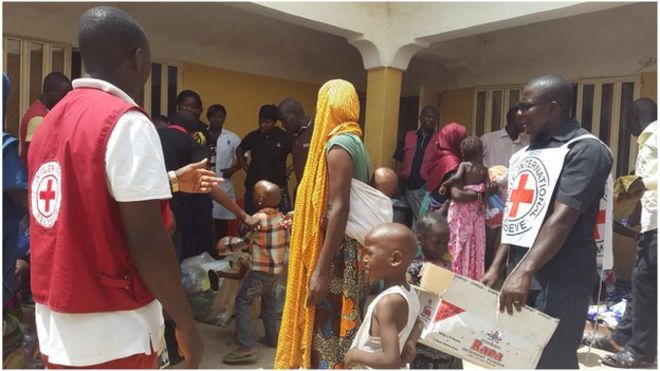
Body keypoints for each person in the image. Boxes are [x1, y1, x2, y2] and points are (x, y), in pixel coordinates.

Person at [26, 7, 223, 368]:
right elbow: (147, 242)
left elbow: (86, 197)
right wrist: (185, 324)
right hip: (114, 326)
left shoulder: (50, 123)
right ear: (138, 58)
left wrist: (174, 180)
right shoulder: (125, 121)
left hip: (56, 323)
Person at [481, 75, 612, 369]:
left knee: (553, 359)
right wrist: (496, 267)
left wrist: (523, 271)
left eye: (526, 107)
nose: (519, 114)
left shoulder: (585, 150)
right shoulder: (527, 153)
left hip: (561, 278)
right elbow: (515, 214)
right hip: (522, 273)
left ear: (553, 108)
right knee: (518, 356)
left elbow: (563, 218)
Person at [275, 79, 372, 368]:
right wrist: (304, 215)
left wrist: (319, 271)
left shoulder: (339, 145)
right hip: (345, 247)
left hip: (335, 256)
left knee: (327, 335)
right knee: (339, 331)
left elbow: (340, 207)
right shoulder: (354, 140)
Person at [592, 98, 657, 368]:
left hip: (658, 224)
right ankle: (622, 336)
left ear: (632, 116)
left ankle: (641, 353)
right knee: (640, 283)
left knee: (648, 288)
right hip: (650, 223)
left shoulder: (654, 138)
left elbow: (651, 180)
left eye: (627, 119)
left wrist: (637, 184)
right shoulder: (650, 138)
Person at [220, 180, 290, 364]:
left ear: (259, 200)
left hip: (259, 272)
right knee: (270, 303)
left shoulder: (258, 219)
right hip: (276, 273)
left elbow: (244, 242)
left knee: (243, 301)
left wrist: (224, 245)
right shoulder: (282, 218)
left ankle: (246, 347)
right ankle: (272, 338)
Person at [344, 223, 420, 369]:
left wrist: (355, 355)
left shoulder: (388, 303)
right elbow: (419, 323)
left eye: (369, 253)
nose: (363, 259)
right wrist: (410, 342)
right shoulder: (410, 293)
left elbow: (391, 360)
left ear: (395, 259)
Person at [407, 212, 462, 369]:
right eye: (437, 242)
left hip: (447, 335)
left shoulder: (450, 265)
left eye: (446, 242)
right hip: (421, 338)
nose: (442, 247)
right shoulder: (413, 269)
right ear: (419, 239)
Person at [440, 136, 489, 280]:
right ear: (481, 152)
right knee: (475, 242)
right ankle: (474, 276)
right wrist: (481, 199)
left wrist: (445, 184)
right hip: (477, 213)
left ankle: (459, 272)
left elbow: (456, 185)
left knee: (459, 243)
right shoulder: (484, 170)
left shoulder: (463, 166)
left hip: (462, 213)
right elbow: (487, 189)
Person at [175, 91, 215, 260]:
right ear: (178, 106)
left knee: (203, 228)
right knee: (182, 230)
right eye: (186, 105)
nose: (189, 109)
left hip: (199, 190)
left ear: (199, 110)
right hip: (178, 187)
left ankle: (203, 265)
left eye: (193, 106)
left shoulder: (203, 130)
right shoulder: (174, 127)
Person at [234, 104, 293, 214]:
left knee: (283, 222)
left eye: (267, 122)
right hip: (254, 189)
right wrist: (246, 168)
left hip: (278, 188)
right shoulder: (253, 136)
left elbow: (300, 153)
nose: (262, 125)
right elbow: (239, 150)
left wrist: (290, 169)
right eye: (260, 121)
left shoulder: (285, 137)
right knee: (251, 222)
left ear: (274, 122)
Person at [18, 72, 72, 167]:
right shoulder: (38, 118)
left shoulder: (47, 112)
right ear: (48, 91)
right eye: (61, 96)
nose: (64, 101)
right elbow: (32, 154)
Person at [393, 106, 438, 220]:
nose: (431, 120)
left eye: (434, 117)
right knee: (403, 220)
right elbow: (399, 159)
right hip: (405, 186)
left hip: (424, 189)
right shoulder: (409, 136)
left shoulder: (439, 139)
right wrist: (396, 183)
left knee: (422, 220)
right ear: (420, 118)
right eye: (428, 116)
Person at [208, 104, 242, 241]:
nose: (217, 119)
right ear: (209, 117)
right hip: (204, 183)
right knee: (205, 219)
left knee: (221, 222)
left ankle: (221, 251)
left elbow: (243, 158)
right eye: (214, 116)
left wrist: (233, 169)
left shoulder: (232, 137)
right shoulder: (201, 134)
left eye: (221, 116)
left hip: (223, 183)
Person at [420, 122, 467, 210]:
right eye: (463, 139)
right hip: (443, 212)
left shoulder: (439, 155)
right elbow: (457, 194)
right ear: (455, 140)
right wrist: (479, 194)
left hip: (431, 205)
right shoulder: (452, 163)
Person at [278, 98, 314, 184]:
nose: (283, 125)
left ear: (294, 114)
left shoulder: (316, 129)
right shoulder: (295, 135)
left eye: (284, 120)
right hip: (303, 191)